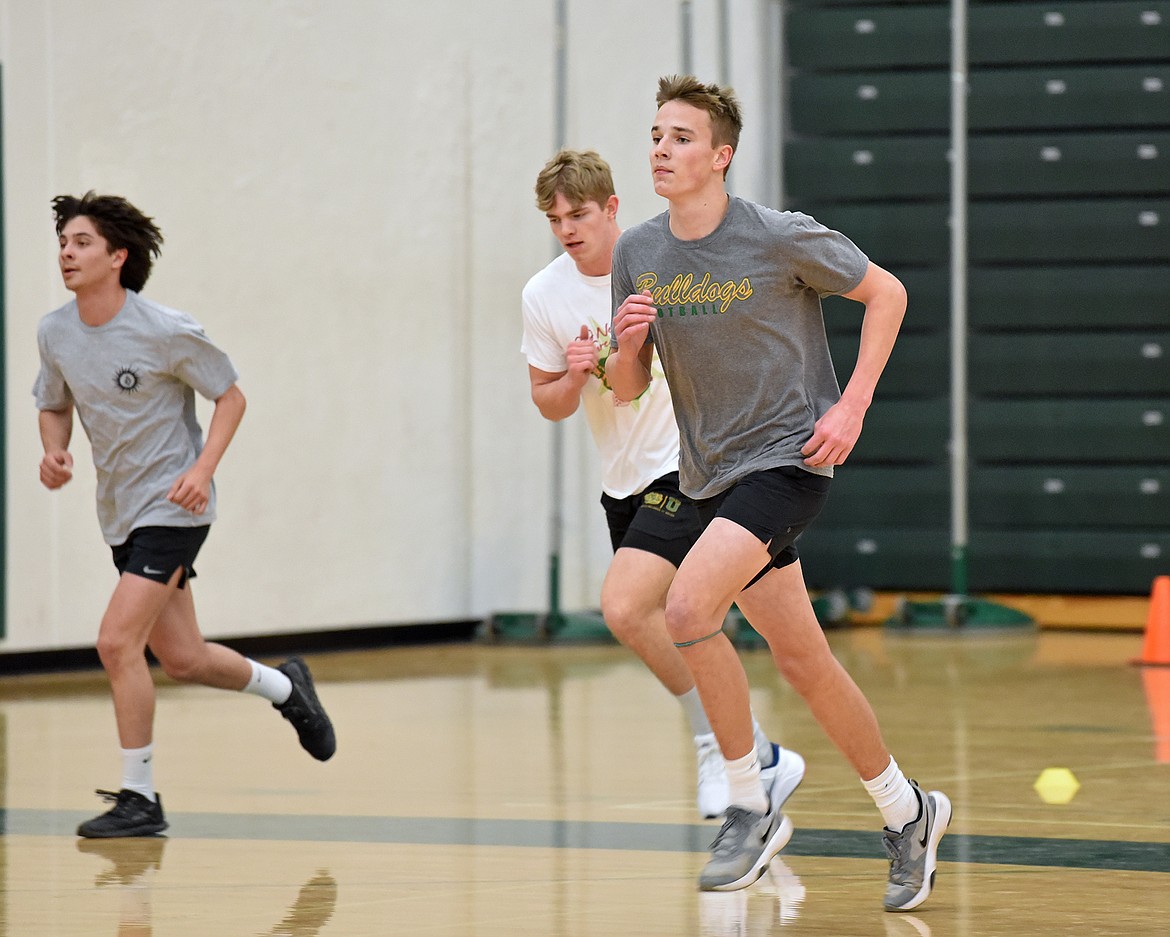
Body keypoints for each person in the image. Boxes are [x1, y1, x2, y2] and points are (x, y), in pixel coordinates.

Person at [606, 77, 951, 910]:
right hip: (706, 473)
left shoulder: (778, 235)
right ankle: (910, 811)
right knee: (805, 661)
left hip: (787, 460)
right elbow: (628, 387)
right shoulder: (638, 252)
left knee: (686, 610)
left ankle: (748, 802)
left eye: (681, 137)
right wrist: (623, 346)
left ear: (720, 156)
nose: (661, 148)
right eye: (656, 134)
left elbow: (887, 293)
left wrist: (854, 405)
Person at [34, 192, 336, 839]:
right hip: (117, 510)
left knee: (117, 641)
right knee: (184, 658)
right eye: (63, 242)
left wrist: (201, 470)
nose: (67, 252)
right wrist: (54, 450)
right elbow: (53, 402)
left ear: (118, 256)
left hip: (173, 507)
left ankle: (140, 799)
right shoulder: (55, 331)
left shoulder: (164, 328)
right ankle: (287, 688)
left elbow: (230, 396)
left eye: (82, 242)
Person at [521, 150, 804, 820]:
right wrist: (570, 373)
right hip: (622, 480)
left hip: (685, 463)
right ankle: (757, 753)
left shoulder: (658, 265)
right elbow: (550, 402)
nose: (567, 227)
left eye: (579, 213)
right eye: (555, 218)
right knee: (675, 618)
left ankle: (719, 744)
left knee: (623, 604)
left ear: (611, 208)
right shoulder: (544, 294)